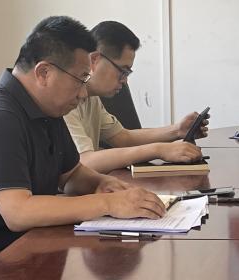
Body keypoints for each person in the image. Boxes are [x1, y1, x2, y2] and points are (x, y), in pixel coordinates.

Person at [0, 16, 166, 274]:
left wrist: (103, 183)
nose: (83, 93)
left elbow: (71, 175)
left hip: (21, 250)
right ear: (44, 73)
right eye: (80, 79)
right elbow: (18, 212)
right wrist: (108, 204)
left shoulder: (47, 108)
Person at [66, 20, 209, 173]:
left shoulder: (92, 98)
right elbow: (85, 162)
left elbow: (123, 138)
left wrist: (177, 130)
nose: (125, 81)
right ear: (94, 60)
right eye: (123, 71)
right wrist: (159, 150)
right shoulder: (65, 100)